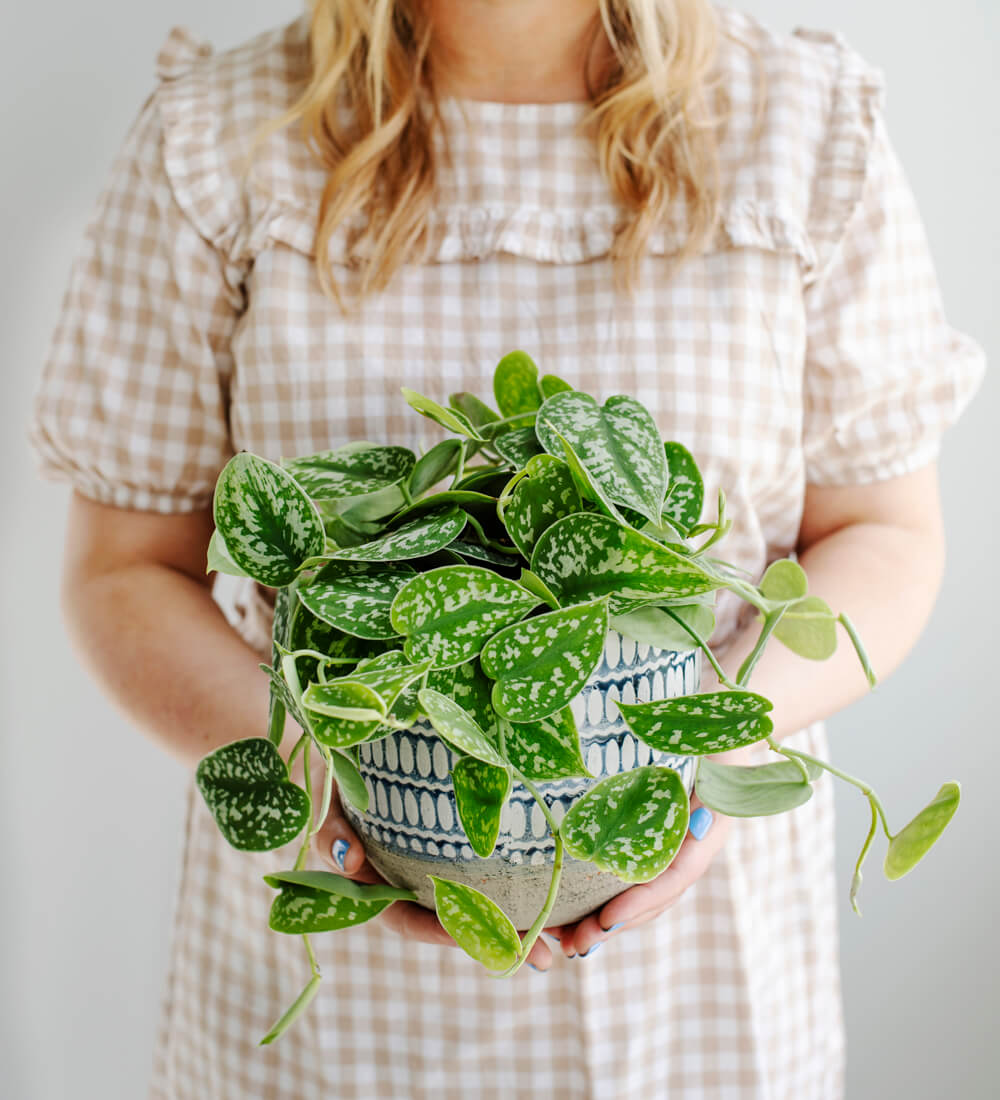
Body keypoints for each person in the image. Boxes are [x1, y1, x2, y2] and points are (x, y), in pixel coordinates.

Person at [27, 1, 985, 1097]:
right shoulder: (219, 141)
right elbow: (126, 565)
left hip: (697, 999)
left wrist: (708, 740)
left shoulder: (800, 128)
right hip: (334, 1014)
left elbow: (882, 530)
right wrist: (313, 772)